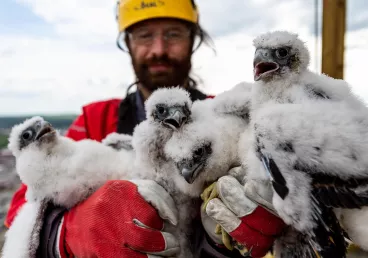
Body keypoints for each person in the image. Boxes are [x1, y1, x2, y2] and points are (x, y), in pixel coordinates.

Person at [4, 0, 286, 257]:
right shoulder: (97, 118)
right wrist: (69, 231)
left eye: (173, 33)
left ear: (193, 40)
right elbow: (26, 200)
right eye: (145, 35)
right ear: (127, 42)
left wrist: (274, 212)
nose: (159, 49)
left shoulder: (225, 118)